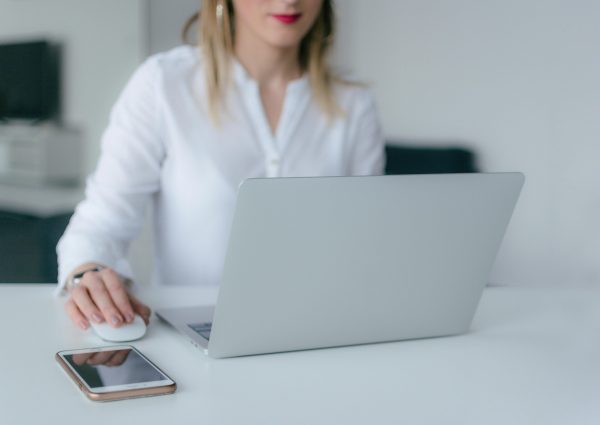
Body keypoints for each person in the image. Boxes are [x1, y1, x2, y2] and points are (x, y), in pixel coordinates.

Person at [56, 0, 384, 331]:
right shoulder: (164, 85)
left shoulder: (354, 104)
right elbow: (101, 222)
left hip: (319, 330)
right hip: (194, 333)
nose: (289, 0)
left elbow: (367, 243)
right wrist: (88, 273)